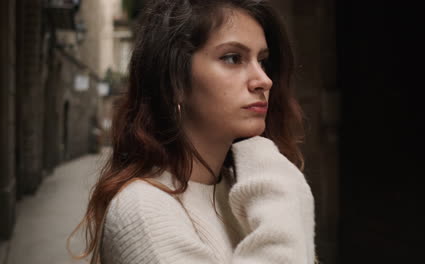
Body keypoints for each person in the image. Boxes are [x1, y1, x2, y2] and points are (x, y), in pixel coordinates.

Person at [69, 0, 316, 263]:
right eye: (233, 58)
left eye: (263, 61)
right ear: (175, 82)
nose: (264, 80)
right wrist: (280, 194)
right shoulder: (144, 210)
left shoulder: (245, 186)